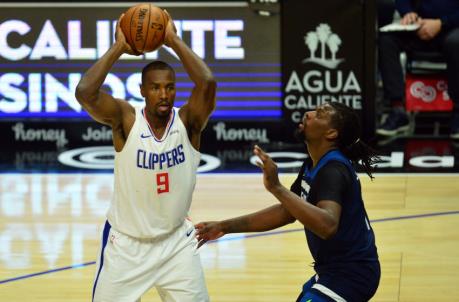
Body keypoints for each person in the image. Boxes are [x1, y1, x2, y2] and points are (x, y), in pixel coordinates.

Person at [75, 10, 216, 302]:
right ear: (142, 91)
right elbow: (85, 93)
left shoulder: (188, 123)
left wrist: (173, 40)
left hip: (176, 244)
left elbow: (207, 83)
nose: (163, 94)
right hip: (127, 246)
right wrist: (119, 47)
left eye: (169, 87)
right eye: (155, 88)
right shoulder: (126, 120)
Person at [196, 102, 381, 302]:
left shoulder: (333, 170)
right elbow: (286, 212)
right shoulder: (312, 164)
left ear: (331, 133)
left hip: (352, 275)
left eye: (319, 114)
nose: (308, 114)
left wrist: (277, 187)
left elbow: (328, 225)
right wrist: (224, 226)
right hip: (332, 271)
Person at [377, 0, 459, 139]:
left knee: (456, 43)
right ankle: (398, 110)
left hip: (452, 27)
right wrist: (408, 13)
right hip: (420, 26)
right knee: (387, 40)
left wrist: (441, 23)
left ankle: (458, 111)